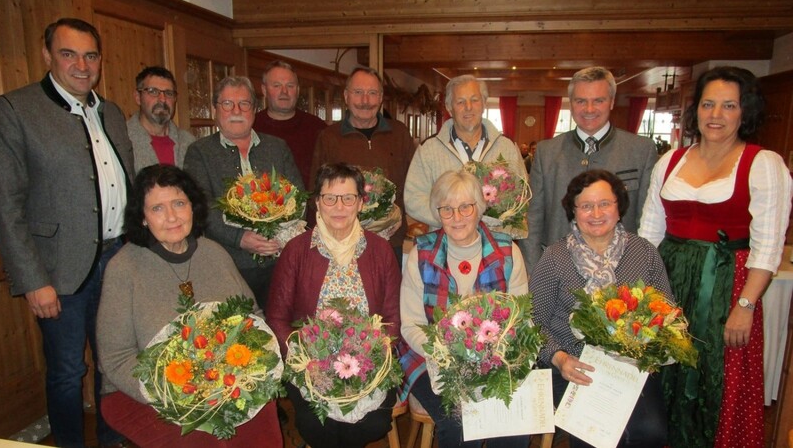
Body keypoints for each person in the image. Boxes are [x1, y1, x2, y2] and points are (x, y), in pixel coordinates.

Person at [0, 18, 133, 448]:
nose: (81, 65)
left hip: (117, 260)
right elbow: (5, 205)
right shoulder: (15, 110)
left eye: (90, 55)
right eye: (69, 54)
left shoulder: (110, 111)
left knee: (114, 363)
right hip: (59, 272)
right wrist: (34, 281)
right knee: (68, 370)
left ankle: (112, 441)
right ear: (47, 55)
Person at [639, 66, 793, 448]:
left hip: (725, 288)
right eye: (708, 104)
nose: (716, 115)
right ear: (697, 110)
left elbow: (768, 246)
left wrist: (745, 304)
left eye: (729, 105)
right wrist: (639, 298)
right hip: (668, 283)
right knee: (662, 373)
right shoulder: (670, 161)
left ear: (745, 111)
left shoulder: (763, 164)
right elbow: (649, 234)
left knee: (714, 381)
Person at [96, 165, 283, 447]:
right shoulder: (124, 268)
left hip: (224, 383)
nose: (171, 217)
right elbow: (116, 359)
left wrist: (245, 374)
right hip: (149, 392)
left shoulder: (214, 253)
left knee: (262, 426)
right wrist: (179, 395)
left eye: (179, 204)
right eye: (157, 208)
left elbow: (253, 317)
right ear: (143, 218)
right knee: (204, 442)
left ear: (192, 208)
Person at [530, 170, 670, 448]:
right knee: (593, 436)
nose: (596, 213)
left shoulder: (644, 253)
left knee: (652, 432)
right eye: (586, 206)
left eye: (605, 203)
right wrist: (559, 359)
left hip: (630, 368)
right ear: (573, 211)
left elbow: (666, 312)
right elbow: (534, 323)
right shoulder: (554, 258)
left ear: (619, 208)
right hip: (575, 367)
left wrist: (646, 349)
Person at [266, 162, 401, 448]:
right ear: (317, 202)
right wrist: (305, 357)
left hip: (369, 363)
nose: (339, 207)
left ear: (361, 203)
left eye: (348, 198)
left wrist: (374, 358)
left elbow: (392, 317)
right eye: (330, 198)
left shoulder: (380, 250)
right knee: (317, 424)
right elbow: (277, 317)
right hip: (311, 365)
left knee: (372, 423)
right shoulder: (297, 250)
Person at [399, 169, 530, 448]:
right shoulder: (421, 253)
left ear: (479, 208)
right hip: (431, 358)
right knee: (458, 421)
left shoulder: (507, 253)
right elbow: (410, 325)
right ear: (438, 213)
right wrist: (450, 358)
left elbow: (521, 322)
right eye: (447, 209)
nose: (456, 218)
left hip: (495, 359)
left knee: (512, 427)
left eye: (465, 207)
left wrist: (491, 360)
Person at [184, 75, 304, 310]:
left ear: (254, 109)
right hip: (228, 264)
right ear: (215, 109)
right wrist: (241, 239)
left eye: (244, 104)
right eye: (227, 104)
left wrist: (279, 238)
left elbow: (297, 197)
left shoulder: (277, 147)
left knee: (280, 324)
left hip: (279, 261)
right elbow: (202, 208)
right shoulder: (199, 152)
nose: (236, 110)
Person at [524, 66, 657, 274]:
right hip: (558, 273)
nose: (589, 109)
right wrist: (535, 271)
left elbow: (647, 220)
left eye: (598, 100)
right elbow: (532, 220)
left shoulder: (641, 151)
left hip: (621, 274)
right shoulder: (546, 152)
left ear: (612, 101)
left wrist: (639, 270)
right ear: (571, 103)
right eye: (580, 101)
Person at [311, 67, 416, 258]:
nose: (365, 101)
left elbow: (413, 185)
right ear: (346, 96)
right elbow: (316, 192)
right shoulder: (329, 137)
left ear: (381, 97)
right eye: (358, 93)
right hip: (342, 243)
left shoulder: (399, 134)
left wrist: (399, 216)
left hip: (390, 241)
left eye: (372, 93)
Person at [404, 74, 527, 230]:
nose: (468, 107)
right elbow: (413, 200)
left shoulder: (507, 148)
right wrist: (455, 219)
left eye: (474, 100)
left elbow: (522, 196)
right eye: (460, 102)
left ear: (483, 104)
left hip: (495, 246)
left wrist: (492, 219)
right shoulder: (428, 150)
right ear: (449, 108)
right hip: (446, 247)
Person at [253, 60, 327, 187]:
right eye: (276, 85)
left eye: (290, 86)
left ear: (297, 90)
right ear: (264, 90)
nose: (284, 91)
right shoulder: (252, 127)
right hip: (262, 204)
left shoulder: (317, 127)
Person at [127, 66, 196, 170]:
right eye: (153, 91)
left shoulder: (188, 143)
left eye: (169, 93)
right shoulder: (123, 141)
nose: (162, 99)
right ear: (138, 97)